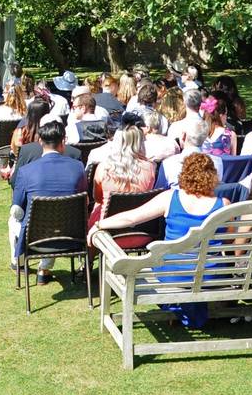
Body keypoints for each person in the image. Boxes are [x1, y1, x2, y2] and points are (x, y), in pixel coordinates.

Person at [89, 153, 230, 327]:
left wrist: (99, 224)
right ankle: (189, 312)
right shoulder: (224, 204)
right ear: (212, 176)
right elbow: (229, 240)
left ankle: (178, 310)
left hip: (172, 275)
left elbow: (132, 218)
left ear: (184, 174)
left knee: (163, 264)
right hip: (211, 276)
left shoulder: (171, 197)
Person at [10, 122, 86, 284]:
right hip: (73, 237)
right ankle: (43, 268)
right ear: (63, 141)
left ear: (40, 141)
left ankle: (18, 262)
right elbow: (84, 201)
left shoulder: (26, 172)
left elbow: (16, 211)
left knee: (14, 219)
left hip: (35, 239)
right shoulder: (78, 167)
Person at [89, 124, 156, 226]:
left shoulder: (103, 167)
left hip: (106, 230)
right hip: (139, 229)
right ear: (140, 143)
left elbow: (98, 198)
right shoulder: (150, 168)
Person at [159, 119, 224, 186]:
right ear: (204, 138)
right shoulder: (218, 162)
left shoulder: (168, 164)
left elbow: (158, 191)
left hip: (176, 196)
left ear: (183, 136)